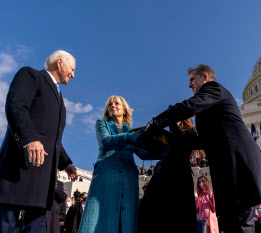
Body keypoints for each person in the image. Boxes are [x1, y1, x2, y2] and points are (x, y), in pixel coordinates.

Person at [138, 64, 261, 233]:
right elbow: (202, 140)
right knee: (230, 224)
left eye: (192, 80)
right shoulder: (209, 106)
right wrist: (172, 137)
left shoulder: (214, 89)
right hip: (227, 168)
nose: (189, 85)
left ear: (205, 76)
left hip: (238, 166)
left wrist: (156, 122)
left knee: (241, 224)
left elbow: (187, 107)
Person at [0, 50, 78, 233]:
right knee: (6, 223)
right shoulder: (31, 75)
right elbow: (16, 106)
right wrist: (30, 139)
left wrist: (66, 163)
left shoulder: (61, 101)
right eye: (72, 69)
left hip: (43, 176)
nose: (73, 75)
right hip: (19, 167)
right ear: (60, 63)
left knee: (35, 227)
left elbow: (53, 137)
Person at [78, 96, 159, 233]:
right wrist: (130, 137)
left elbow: (143, 153)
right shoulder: (102, 123)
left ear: (125, 110)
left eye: (117, 103)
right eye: (110, 104)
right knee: (101, 217)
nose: (112, 106)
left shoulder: (132, 131)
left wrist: (164, 149)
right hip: (107, 177)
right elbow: (106, 141)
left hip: (128, 179)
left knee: (126, 219)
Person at [138, 118, 199, 233]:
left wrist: (171, 123)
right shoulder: (166, 135)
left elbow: (182, 146)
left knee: (176, 218)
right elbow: (153, 153)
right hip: (161, 175)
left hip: (179, 176)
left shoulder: (191, 132)